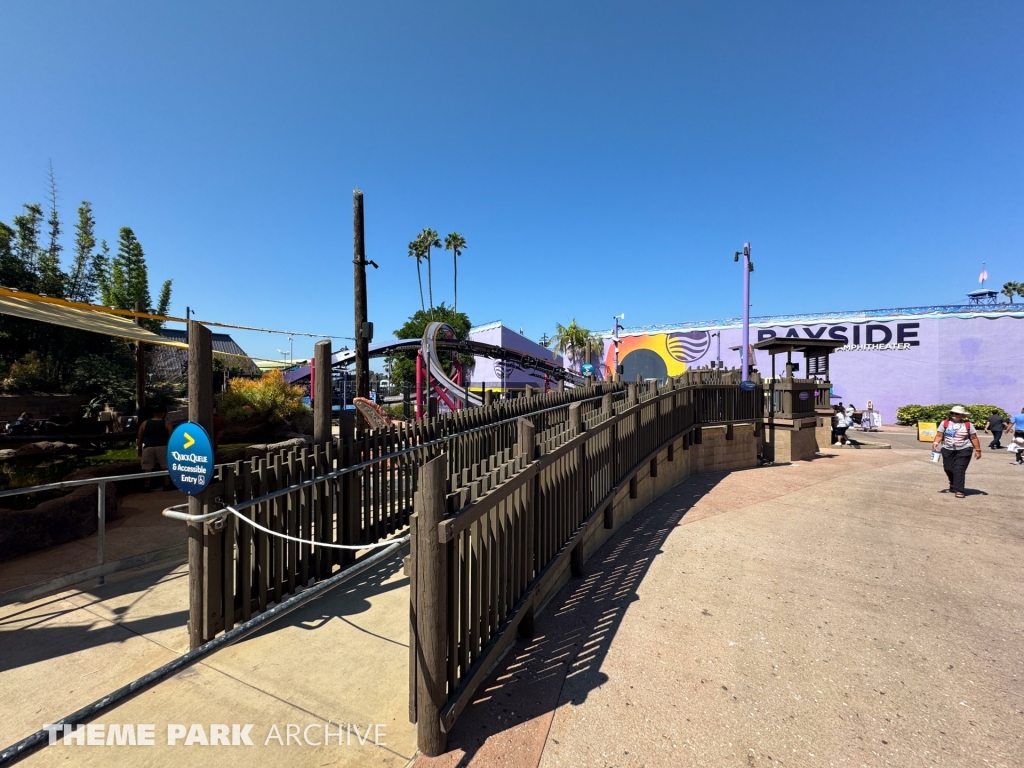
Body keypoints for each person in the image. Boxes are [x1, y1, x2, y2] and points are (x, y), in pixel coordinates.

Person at [931, 405, 982, 499]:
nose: (954, 414)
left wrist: (978, 450)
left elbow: (974, 437)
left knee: (959, 469)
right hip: (947, 448)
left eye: (957, 413)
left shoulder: (968, 424)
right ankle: (953, 484)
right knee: (948, 468)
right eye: (952, 413)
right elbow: (939, 435)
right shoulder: (945, 423)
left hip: (964, 449)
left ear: (962, 415)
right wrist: (935, 443)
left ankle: (959, 490)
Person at [137, 404, 172, 491]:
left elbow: (139, 437)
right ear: (163, 413)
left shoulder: (145, 423)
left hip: (148, 447)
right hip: (162, 447)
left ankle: (147, 485)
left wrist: (139, 449)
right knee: (165, 466)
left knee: (147, 467)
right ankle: (167, 484)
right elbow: (171, 436)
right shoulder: (166, 423)